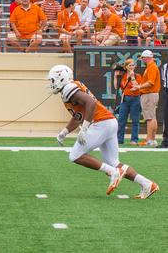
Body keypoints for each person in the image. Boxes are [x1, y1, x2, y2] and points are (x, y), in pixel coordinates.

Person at [48, 65, 159, 199]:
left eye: (53, 80)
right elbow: (78, 115)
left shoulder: (69, 88)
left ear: (62, 78)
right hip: (109, 122)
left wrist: (84, 128)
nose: (51, 83)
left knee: (75, 155)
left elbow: (91, 103)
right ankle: (147, 184)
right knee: (114, 162)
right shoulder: (70, 88)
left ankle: (113, 173)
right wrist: (65, 131)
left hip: (101, 123)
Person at [134, 50, 160, 147]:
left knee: (149, 118)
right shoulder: (151, 66)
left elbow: (150, 82)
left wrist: (139, 87)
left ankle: (149, 139)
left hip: (149, 94)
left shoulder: (151, 67)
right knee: (152, 117)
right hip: (151, 94)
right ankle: (152, 139)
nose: (142, 59)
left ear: (146, 57)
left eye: (143, 57)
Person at [117, 59, 141, 145]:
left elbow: (137, 86)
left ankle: (134, 139)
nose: (131, 67)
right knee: (121, 120)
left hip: (135, 98)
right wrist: (115, 77)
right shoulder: (122, 76)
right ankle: (120, 139)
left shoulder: (137, 75)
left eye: (133, 65)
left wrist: (132, 76)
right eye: (130, 65)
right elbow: (116, 87)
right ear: (126, 67)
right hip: (125, 99)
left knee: (135, 120)